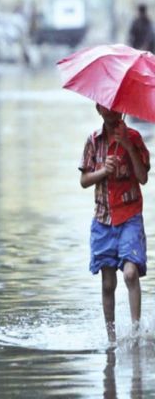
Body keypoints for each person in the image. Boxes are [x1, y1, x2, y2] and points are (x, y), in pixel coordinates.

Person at [79, 104, 150, 344]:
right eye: (107, 108)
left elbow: (142, 177)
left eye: (117, 108)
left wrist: (129, 147)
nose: (112, 112)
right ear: (99, 109)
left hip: (129, 216)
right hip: (103, 220)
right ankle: (111, 339)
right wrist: (102, 171)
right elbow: (84, 180)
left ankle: (136, 331)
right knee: (108, 282)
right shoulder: (93, 141)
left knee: (131, 274)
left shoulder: (134, 138)